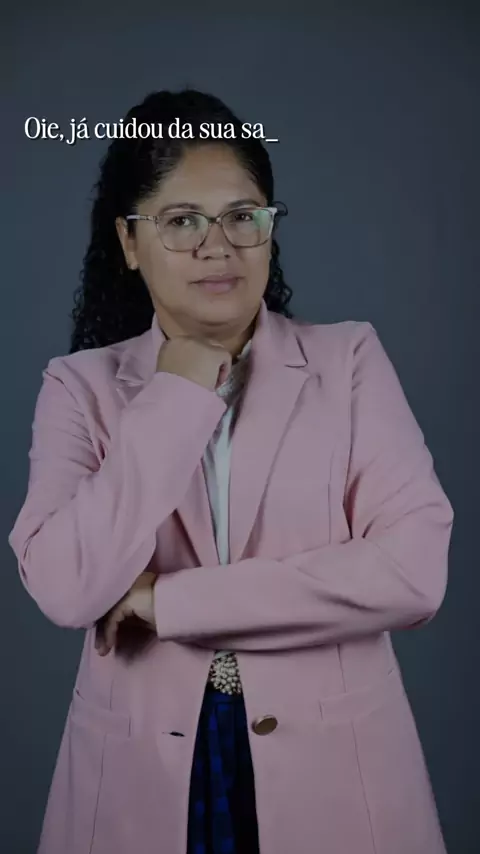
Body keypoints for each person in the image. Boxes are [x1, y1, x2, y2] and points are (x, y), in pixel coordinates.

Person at [9, 88, 454, 854]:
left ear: (269, 230)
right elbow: (67, 586)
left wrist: (164, 600)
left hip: (334, 776)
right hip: (140, 773)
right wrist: (175, 395)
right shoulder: (78, 387)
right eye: (182, 221)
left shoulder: (349, 359)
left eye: (242, 216)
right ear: (129, 241)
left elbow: (412, 575)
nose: (218, 247)